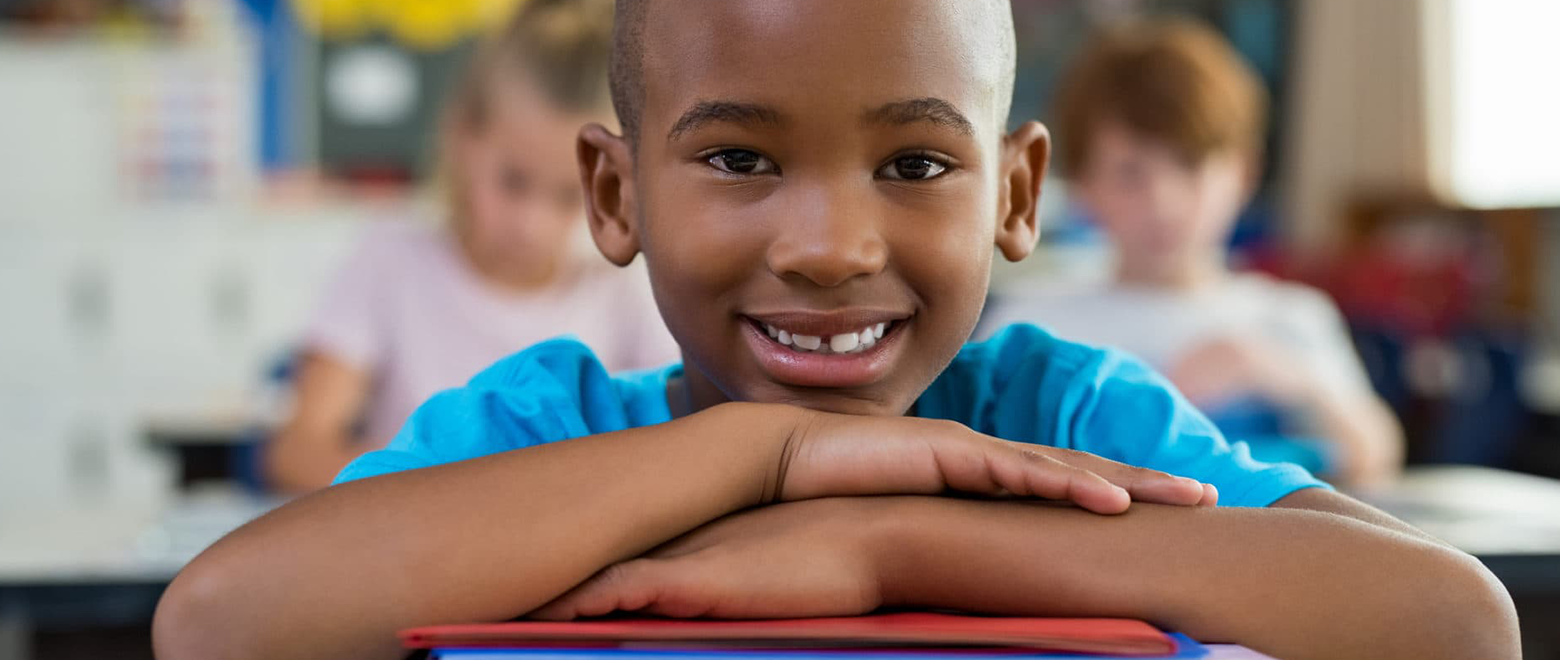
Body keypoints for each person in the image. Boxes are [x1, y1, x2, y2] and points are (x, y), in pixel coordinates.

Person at [154, 3, 1517, 659]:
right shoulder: (543, 436)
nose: (829, 247)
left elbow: (1451, 625)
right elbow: (220, 627)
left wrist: (891, 539)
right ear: (617, 195)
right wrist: (763, 457)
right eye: (740, 160)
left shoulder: (1068, 418)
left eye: (917, 167)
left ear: (1017, 196)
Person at [263, 0, 679, 493]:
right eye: (513, 182)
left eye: (569, 197)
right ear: (462, 138)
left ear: (609, 183)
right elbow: (298, 452)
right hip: (414, 545)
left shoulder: (621, 290)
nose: (533, 225)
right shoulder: (388, 261)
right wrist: (462, 496)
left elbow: (676, 451)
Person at [980, 20, 1403, 488]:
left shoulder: (1288, 318)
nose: (1164, 202)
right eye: (1130, 173)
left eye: (1189, 165)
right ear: (1083, 184)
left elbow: (1376, 456)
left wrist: (1283, 377)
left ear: (1243, 172)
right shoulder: (1032, 325)